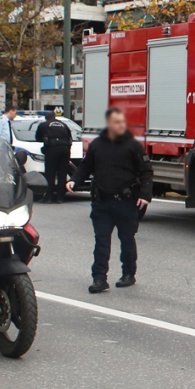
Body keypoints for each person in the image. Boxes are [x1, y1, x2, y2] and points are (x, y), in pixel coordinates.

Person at [68, 108, 152, 293]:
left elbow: (146, 172)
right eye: (117, 122)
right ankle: (99, 279)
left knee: (127, 239)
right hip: (102, 203)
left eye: (123, 122)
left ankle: (128, 274)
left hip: (126, 202)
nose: (121, 126)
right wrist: (74, 180)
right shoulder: (97, 145)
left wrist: (145, 195)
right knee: (101, 241)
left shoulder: (133, 146)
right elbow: (86, 166)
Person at [34, 111, 73, 204]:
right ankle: (60, 198)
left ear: (46, 118)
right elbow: (70, 137)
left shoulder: (44, 125)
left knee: (50, 173)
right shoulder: (64, 124)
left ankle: (48, 197)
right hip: (65, 149)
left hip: (52, 149)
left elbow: (38, 137)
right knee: (62, 173)